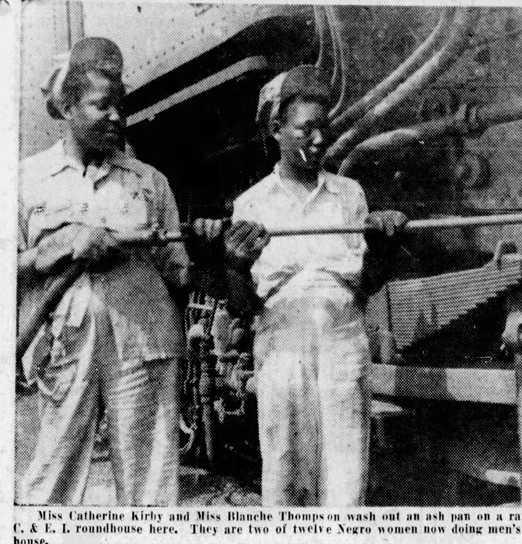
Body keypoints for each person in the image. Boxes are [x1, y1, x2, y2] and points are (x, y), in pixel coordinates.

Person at [17, 37, 267, 505]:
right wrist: (59, 245)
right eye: (100, 105)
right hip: (67, 344)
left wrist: (217, 255)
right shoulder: (27, 180)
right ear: (68, 106)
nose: (116, 115)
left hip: (145, 342)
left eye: (121, 105)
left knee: (151, 483)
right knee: (51, 480)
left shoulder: (149, 182)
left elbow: (180, 277)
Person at [233, 65, 408, 506]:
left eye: (323, 128)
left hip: (342, 339)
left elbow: (364, 285)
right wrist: (233, 265)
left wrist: (383, 244)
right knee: (285, 467)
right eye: (305, 129)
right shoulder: (251, 203)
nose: (318, 139)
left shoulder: (349, 195)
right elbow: (243, 305)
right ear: (277, 130)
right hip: (282, 342)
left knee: (346, 473)